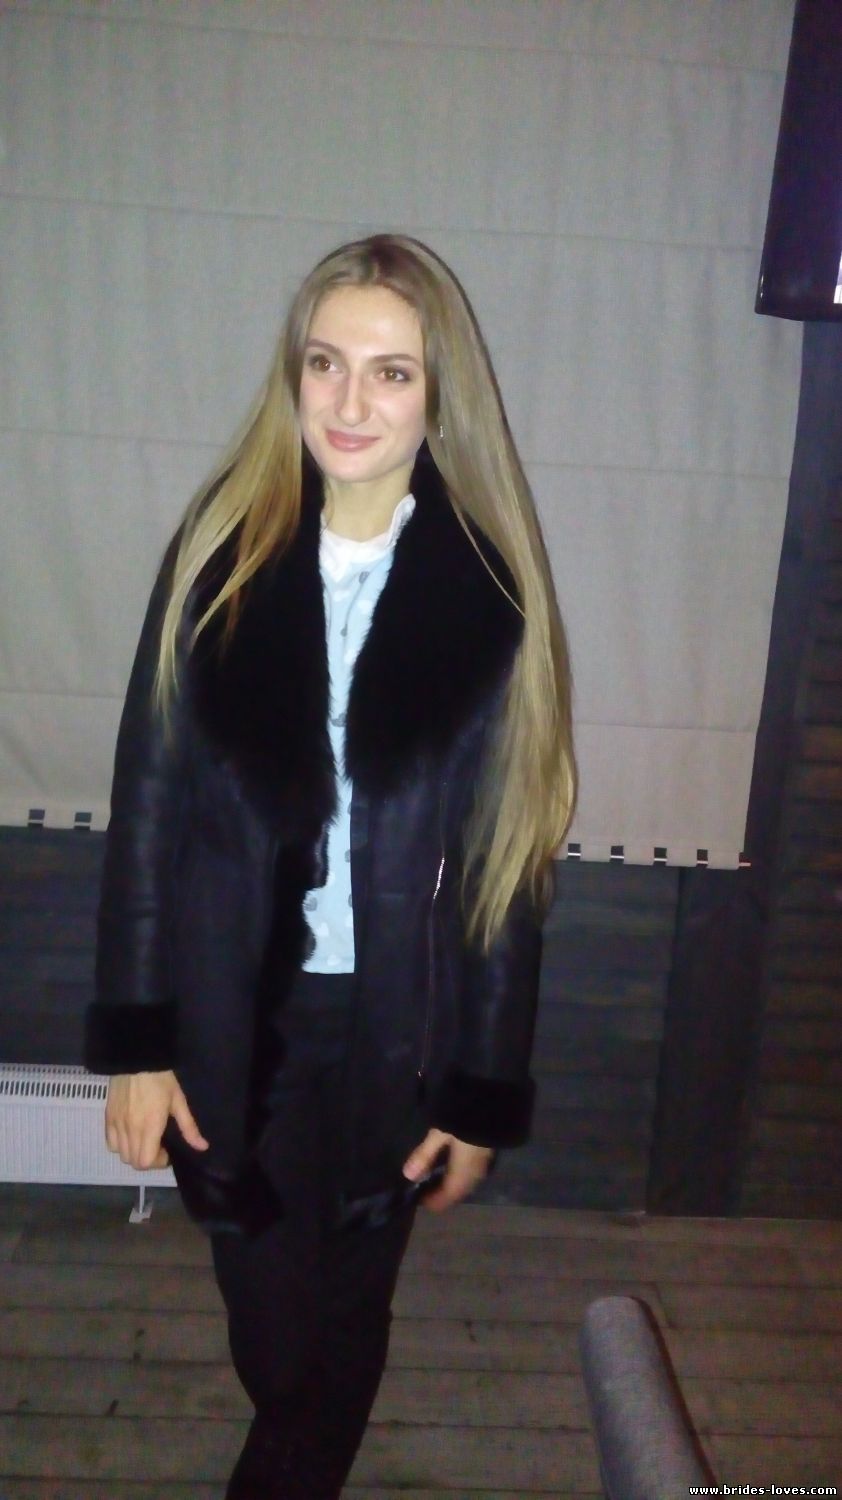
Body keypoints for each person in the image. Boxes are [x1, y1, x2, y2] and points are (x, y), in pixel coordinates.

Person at [84, 232, 576, 1499]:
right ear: (291, 373)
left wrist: (475, 1093)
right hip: (231, 1018)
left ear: (437, 394)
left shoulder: (486, 593)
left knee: (350, 1298)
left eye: (390, 372)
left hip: (392, 1032)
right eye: (324, 362)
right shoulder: (218, 551)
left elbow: (502, 869)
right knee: (272, 1322)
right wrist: (137, 1042)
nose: (350, 401)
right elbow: (147, 809)